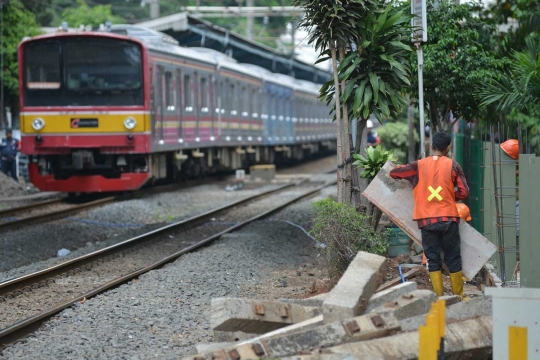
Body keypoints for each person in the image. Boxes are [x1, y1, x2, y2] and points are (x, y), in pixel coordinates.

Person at [389, 131, 469, 299]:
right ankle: (459, 297)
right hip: (449, 219)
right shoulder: (454, 166)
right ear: (448, 148)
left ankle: (438, 298)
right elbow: (463, 192)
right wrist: (450, 195)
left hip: (426, 220)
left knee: (432, 259)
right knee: (453, 257)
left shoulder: (418, 166)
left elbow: (395, 172)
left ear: (432, 146)